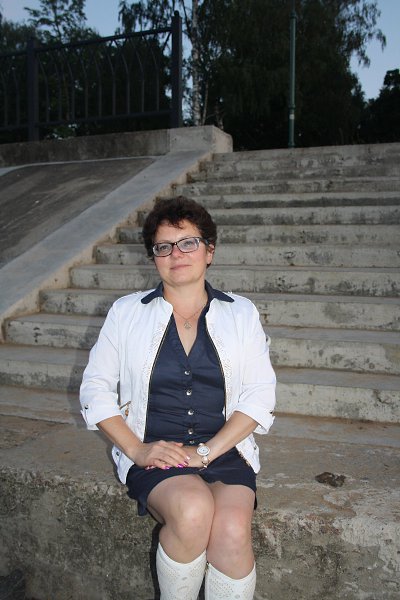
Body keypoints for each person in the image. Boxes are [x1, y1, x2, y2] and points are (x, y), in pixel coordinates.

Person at [80, 196, 276, 600]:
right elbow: (95, 389)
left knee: (232, 530)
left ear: (209, 251)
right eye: (164, 246)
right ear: (153, 257)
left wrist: (205, 452)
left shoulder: (241, 313)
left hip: (225, 450)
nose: (176, 254)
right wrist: (137, 449)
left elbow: (259, 395)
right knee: (192, 510)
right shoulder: (126, 312)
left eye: (188, 242)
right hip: (156, 452)